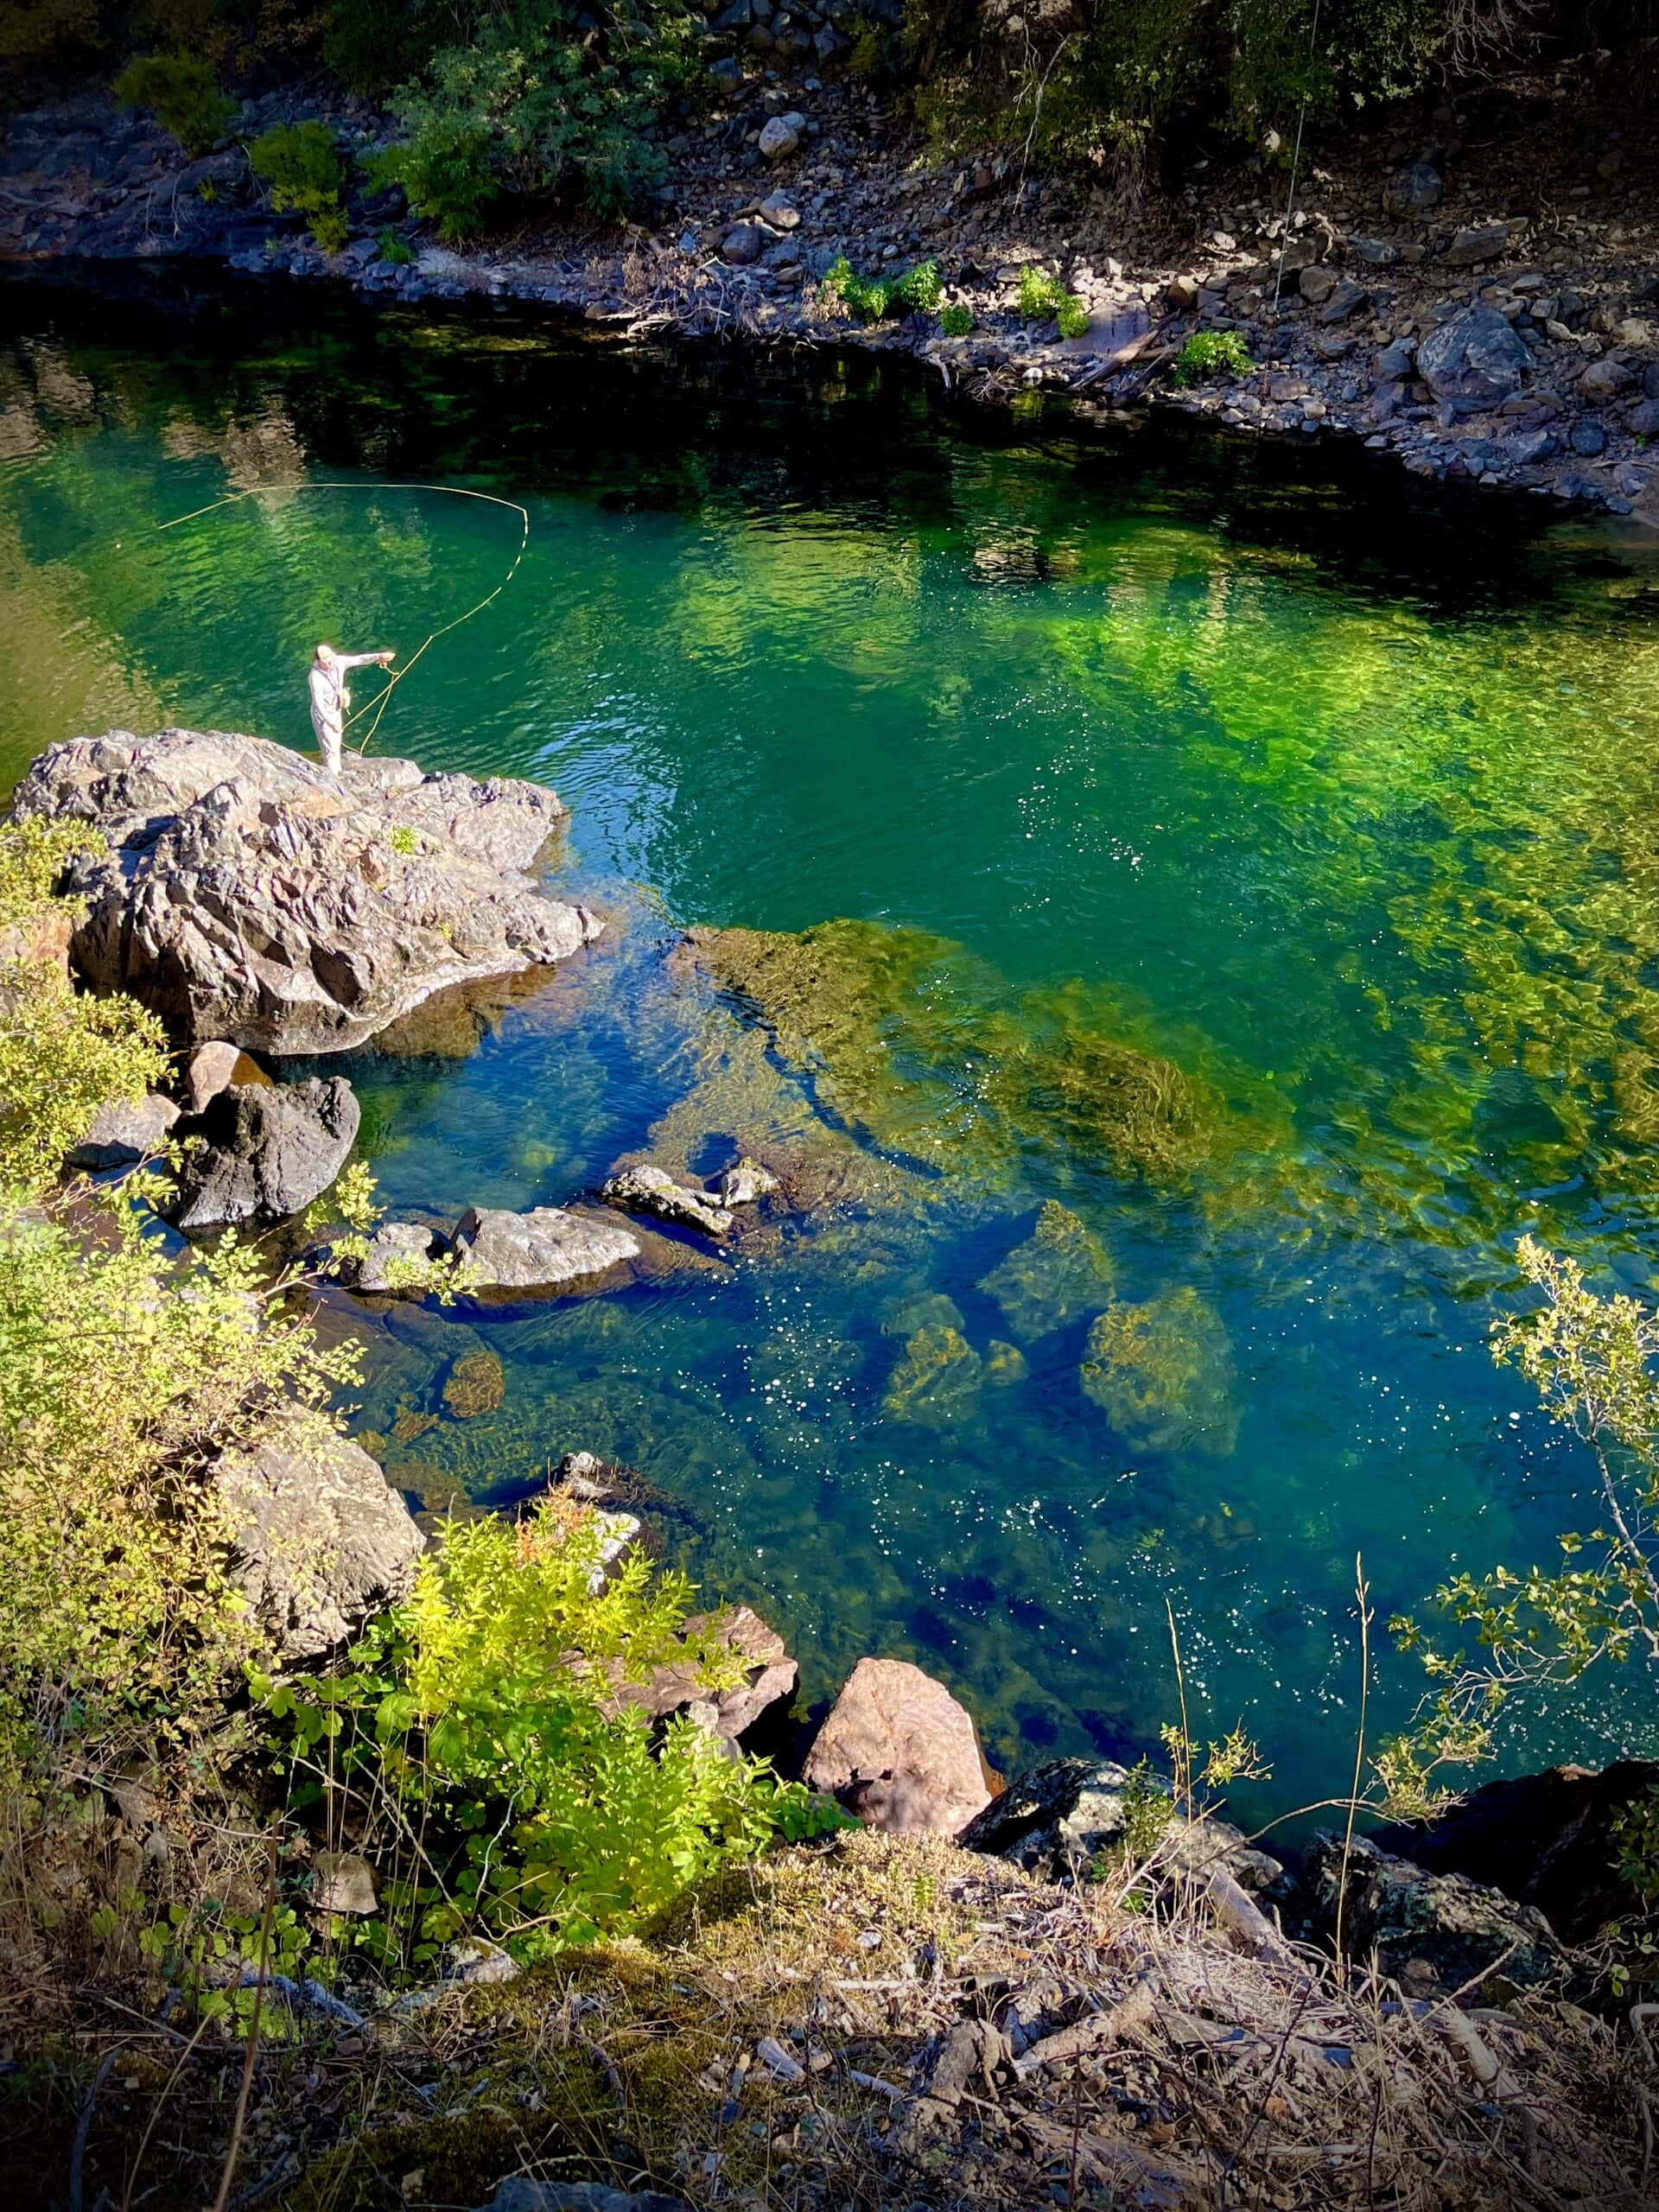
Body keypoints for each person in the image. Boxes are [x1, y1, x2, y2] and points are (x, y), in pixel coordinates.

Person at [308, 641, 395, 773]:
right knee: (330, 749)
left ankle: (335, 770)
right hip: (323, 716)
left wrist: (379, 656)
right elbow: (318, 703)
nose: (330, 663)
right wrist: (330, 722)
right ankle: (335, 776)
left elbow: (359, 659)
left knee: (336, 745)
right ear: (318, 661)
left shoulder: (338, 662)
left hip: (335, 710)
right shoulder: (315, 677)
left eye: (331, 658)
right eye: (326, 661)